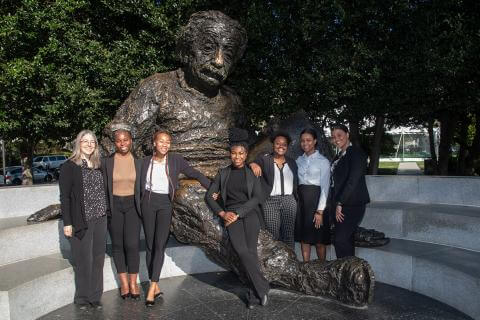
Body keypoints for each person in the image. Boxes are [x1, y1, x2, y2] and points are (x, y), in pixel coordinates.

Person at [141, 129, 210, 306]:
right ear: (154, 143)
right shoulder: (144, 162)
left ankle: (152, 285)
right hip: (148, 203)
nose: (164, 145)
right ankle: (153, 283)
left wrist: (212, 187)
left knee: (160, 245)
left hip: (165, 204)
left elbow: (194, 173)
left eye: (168, 142)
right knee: (149, 246)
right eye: (161, 141)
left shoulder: (175, 160)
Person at [205, 128, 270, 309]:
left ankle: (253, 296)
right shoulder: (223, 173)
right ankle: (263, 286)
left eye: (241, 153)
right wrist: (223, 213)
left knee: (250, 253)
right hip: (230, 217)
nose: (237, 157)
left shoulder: (252, 171)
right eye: (234, 153)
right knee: (242, 252)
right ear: (230, 154)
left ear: (246, 154)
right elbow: (209, 196)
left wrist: (238, 213)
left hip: (249, 214)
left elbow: (257, 197)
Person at [59, 130, 107, 310]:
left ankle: (95, 296)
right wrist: (67, 223)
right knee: (84, 260)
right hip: (82, 220)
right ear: (78, 144)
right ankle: (82, 298)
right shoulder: (69, 166)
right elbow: (65, 197)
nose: (89, 144)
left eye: (92, 141)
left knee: (98, 258)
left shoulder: (98, 165)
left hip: (100, 218)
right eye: (85, 141)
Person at [101, 123, 142, 300]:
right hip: (114, 205)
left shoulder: (140, 162)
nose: (122, 143)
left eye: (125, 140)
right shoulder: (106, 162)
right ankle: (124, 283)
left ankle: (134, 282)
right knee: (117, 245)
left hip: (133, 205)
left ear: (131, 141)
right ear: (114, 143)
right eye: (118, 141)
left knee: (132, 245)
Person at [249, 132, 298, 248]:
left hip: (289, 201)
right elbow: (249, 164)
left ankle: (290, 262)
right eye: (278, 143)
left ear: (287, 146)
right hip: (270, 201)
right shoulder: (265, 159)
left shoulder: (292, 162)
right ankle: (275, 263)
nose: (281, 146)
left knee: (289, 234)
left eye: (284, 144)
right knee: (272, 234)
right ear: (273, 144)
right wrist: (252, 164)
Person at [329, 124, 370, 258]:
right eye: (333, 137)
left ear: (347, 135)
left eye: (339, 135)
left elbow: (353, 180)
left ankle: (344, 272)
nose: (336, 139)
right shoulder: (339, 155)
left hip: (352, 204)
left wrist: (340, 202)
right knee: (346, 240)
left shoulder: (356, 153)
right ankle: (349, 274)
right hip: (339, 203)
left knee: (340, 240)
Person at [295, 128, 331, 262]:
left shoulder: (323, 161)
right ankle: (306, 267)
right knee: (305, 238)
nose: (305, 143)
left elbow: (325, 187)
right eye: (303, 141)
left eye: (308, 140)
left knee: (319, 239)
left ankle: (322, 268)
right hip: (302, 203)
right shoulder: (298, 160)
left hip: (316, 203)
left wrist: (320, 211)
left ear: (315, 141)